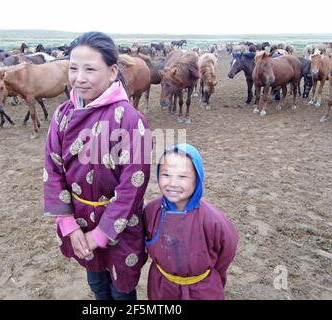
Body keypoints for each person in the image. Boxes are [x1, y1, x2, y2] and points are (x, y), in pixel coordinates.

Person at [43, 31, 152, 300]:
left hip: (121, 224)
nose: (79, 78)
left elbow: (132, 186)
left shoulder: (130, 120)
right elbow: (53, 170)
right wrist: (68, 224)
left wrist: (101, 234)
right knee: (97, 285)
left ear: (112, 71)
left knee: (122, 291)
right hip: (79, 221)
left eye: (90, 69)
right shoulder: (62, 116)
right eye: (73, 68)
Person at [144, 144, 238, 300]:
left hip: (201, 289)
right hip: (162, 286)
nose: (173, 183)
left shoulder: (213, 220)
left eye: (182, 176)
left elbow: (226, 252)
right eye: (166, 174)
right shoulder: (152, 211)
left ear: (197, 178)